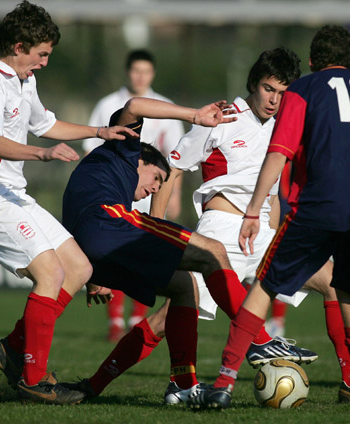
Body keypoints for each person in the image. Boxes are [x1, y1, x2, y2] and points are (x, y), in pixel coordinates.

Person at [62, 48, 320, 406]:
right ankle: (100, 384)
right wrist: (157, 225)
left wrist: (274, 231)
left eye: (282, 92)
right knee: (169, 314)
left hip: (261, 232)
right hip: (224, 229)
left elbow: (274, 191)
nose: (274, 100)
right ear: (253, 84)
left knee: (336, 281)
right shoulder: (223, 119)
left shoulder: (284, 126)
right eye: (268, 89)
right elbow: (173, 168)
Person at [186, 25, 350, 413]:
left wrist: (253, 210)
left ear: (312, 62)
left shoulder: (304, 90)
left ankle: (224, 383)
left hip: (318, 205)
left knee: (264, 286)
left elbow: (279, 153)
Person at [0, 0, 137, 405]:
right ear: (19, 47)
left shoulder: (24, 82)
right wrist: (42, 153)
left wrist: (100, 132)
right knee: (50, 273)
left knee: (79, 268)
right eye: (41, 54)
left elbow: (45, 124)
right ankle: (33, 379)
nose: (44, 62)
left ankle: (14, 347)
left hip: (13, 196)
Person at [82, 49, 186, 342]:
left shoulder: (165, 107)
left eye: (146, 71)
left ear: (152, 74)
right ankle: (115, 321)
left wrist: (173, 195)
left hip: (151, 191)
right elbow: (92, 150)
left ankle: (137, 318)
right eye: (136, 71)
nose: (140, 76)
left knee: (145, 252)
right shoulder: (108, 105)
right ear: (128, 72)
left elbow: (174, 158)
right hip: (116, 190)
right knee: (115, 252)